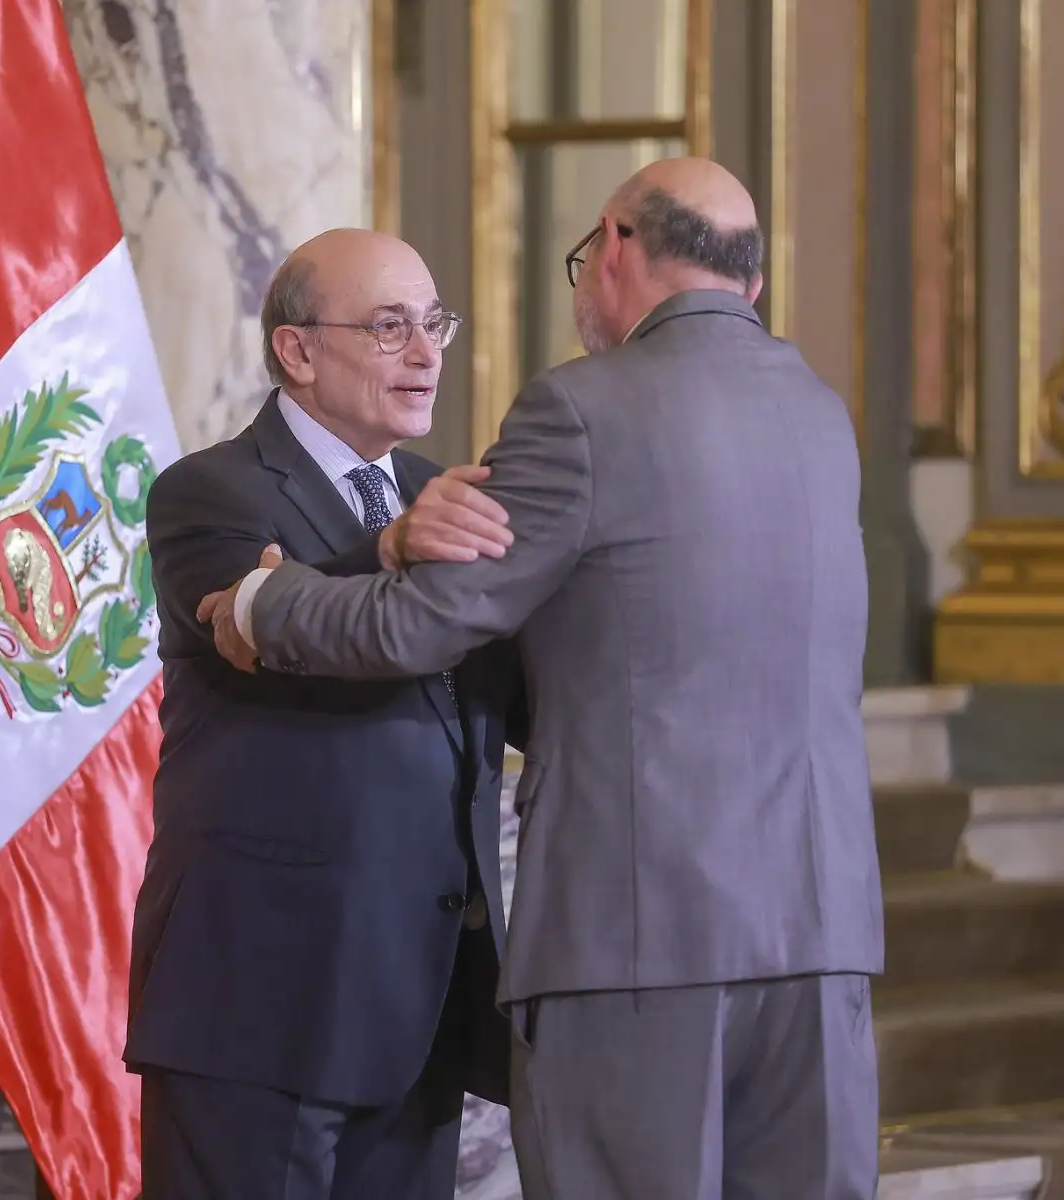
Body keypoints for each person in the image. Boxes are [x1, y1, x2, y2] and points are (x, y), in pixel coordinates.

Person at [202, 159, 884, 1199]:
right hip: (824, 935)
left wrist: (267, 605)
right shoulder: (821, 415)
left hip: (642, 940)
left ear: (613, 245)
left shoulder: (582, 410)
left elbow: (424, 624)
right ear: (742, 279)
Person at [124, 228, 527, 1200]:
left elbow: (511, 694)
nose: (427, 353)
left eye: (434, 324)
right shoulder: (208, 491)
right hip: (260, 1000)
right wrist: (388, 548)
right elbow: (271, 628)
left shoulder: (441, 494)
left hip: (419, 995)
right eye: (390, 328)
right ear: (296, 350)